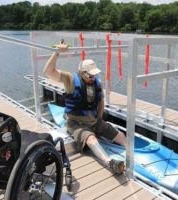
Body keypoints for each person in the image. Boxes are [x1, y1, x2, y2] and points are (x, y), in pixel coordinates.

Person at [44, 42, 126, 174]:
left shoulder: (96, 82)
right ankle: (109, 163)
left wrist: (99, 121)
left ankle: (131, 152)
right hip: (76, 123)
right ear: (82, 73)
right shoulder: (70, 79)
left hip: (93, 120)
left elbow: (100, 101)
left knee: (120, 135)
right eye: (90, 75)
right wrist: (57, 52)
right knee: (91, 139)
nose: (93, 78)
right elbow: (49, 71)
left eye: (95, 75)